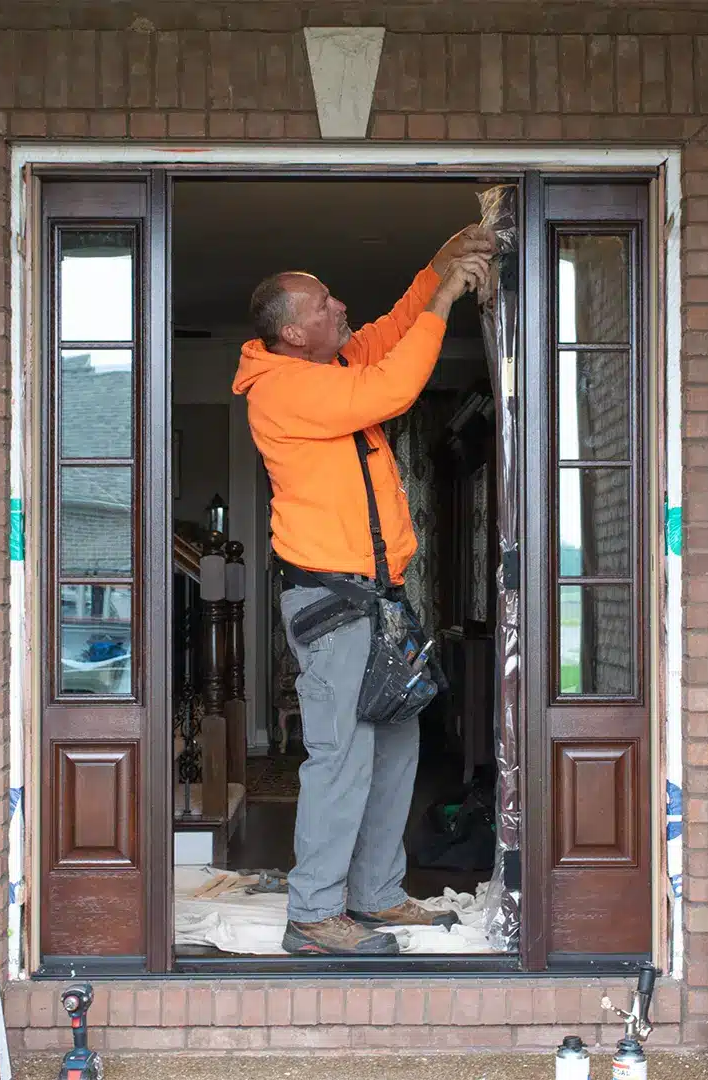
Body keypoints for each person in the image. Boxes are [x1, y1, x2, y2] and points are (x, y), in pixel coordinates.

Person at [232, 226, 494, 955]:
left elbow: (388, 335)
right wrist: (448, 298)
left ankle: (375, 895)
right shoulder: (283, 391)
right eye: (323, 303)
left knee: (393, 745)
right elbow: (395, 384)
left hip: (377, 601)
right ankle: (314, 914)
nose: (339, 306)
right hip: (333, 605)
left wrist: (438, 262)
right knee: (341, 757)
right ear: (293, 330)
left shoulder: (332, 362)